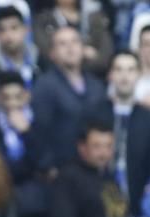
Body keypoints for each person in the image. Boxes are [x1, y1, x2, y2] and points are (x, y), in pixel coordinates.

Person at [49, 120, 131, 217]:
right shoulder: (68, 178)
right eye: (97, 146)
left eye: (108, 146)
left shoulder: (111, 178)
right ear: (82, 147)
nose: (104, 153)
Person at [95, 50, 150, 217]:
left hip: (139, 207)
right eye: (118, 70)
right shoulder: (96, 115)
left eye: (130, 70)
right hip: (98, 206)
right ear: (110, 75)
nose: (124, 76)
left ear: (139, 74)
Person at [31, 25, 107, 172]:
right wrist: (48, 166)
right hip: (61, 170)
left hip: (93, 169)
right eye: (62, 44)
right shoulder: (45, 86)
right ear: (52, 53)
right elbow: (40, 131)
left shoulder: (96, 85)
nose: (70, 48)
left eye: (75, 42)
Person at [33, 0, 113, 76]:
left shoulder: (94, 18)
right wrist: (82, 52)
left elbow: (105, 57)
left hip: (94, 77)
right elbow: (47, 54)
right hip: (56, 77)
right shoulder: (44, 20)